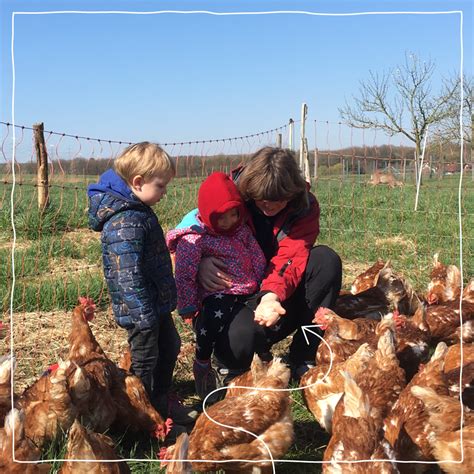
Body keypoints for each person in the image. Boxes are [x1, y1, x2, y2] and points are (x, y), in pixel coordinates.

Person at [197, 147, 343, 381]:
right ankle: (231, 359)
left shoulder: (304, 207)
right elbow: (194, 229)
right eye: (261, 199)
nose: (269, 206)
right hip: (233, 292)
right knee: (238, 343)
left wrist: (270, 296)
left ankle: (304, 353)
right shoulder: (228, 194)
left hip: (275, 291)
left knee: (325, 261)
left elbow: (292, 255)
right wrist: (200, 261)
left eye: (278, 200)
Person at [87, 142, 197, 426]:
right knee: (144, 362)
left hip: (153, 304)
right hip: (141, 312)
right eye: (161, 186)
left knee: (170, 347)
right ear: (137, 182)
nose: (164, 193)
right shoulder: (125, 220)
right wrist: (142, 316)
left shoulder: (137, 209)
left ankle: (161, 404)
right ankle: (139, 415)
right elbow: (126, 276)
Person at [166, 171, 267, 399]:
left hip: (247, 287)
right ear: (207, 214)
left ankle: (260, 355)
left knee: (262, 319)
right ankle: (202, 359)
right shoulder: (194, 238)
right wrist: (188, 305)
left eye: (234, 214)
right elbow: (184, 274)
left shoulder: (241, 229)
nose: (229, 221)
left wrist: (262, 282)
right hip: (217, 292)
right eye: (222, 217)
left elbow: (256, 254)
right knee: (212, 320)